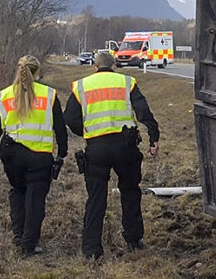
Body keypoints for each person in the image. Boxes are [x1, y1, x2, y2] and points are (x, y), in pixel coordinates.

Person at [65, 49, 161, 259]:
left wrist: (88, 131)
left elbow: (70, 118)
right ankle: (134, 240)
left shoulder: (81, 85)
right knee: (130, 192)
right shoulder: (127, 82)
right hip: (125, 146)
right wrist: (154, 137)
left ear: (95, 66)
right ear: (114, 65)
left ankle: (91, 249)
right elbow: (144, 112)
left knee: (96, 198)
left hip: (97, 147)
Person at [0, 55, 68, 256]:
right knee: (35, 199)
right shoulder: (49, 95)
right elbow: (60, 127)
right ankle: (29, 244)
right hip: (40, 156)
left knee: (17, 191)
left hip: (12, 156)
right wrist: (62, 151)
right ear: (37, 72)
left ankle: (18, 235)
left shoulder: (3, 96)